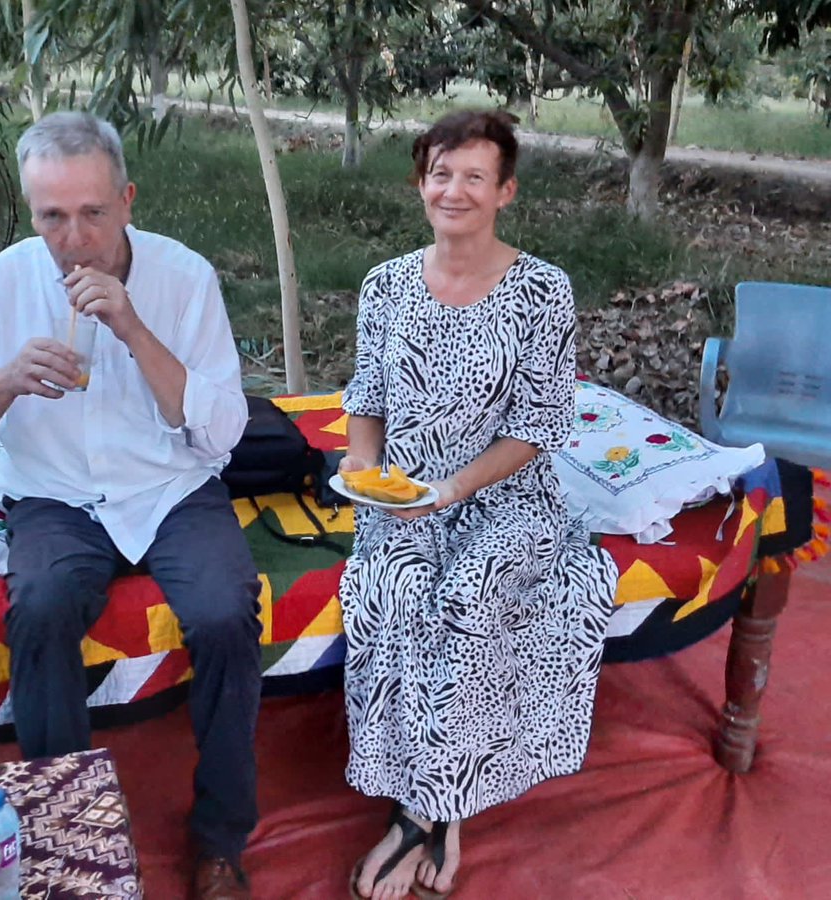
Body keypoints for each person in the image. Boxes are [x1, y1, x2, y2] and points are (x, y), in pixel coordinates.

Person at [0, 111, 261, 900]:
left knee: (223, 609)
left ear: (128, 200)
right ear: (31, 212)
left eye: (93, 214)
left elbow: (224, 434)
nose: (74, 239)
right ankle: (64, 825)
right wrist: (4, 380)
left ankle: (219, 838)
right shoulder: (5, 282)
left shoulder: (183, 277)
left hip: (170, 486)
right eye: (53, 217)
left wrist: (134, 327)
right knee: (37, 605)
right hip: (56, 492)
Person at [337, 110, 618, 900]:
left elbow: (539, 429)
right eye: (439, 172)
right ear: (419, 183)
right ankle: (439, 805)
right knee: (392, 592)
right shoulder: (386, 284)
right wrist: (364, 470)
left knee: (468, 596)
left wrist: (452, 492)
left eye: (473, 176)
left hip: (506, 498)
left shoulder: (541, 290)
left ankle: (422, 814)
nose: (452, 190)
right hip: (404, 495)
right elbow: (365, 399)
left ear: (505, 192)